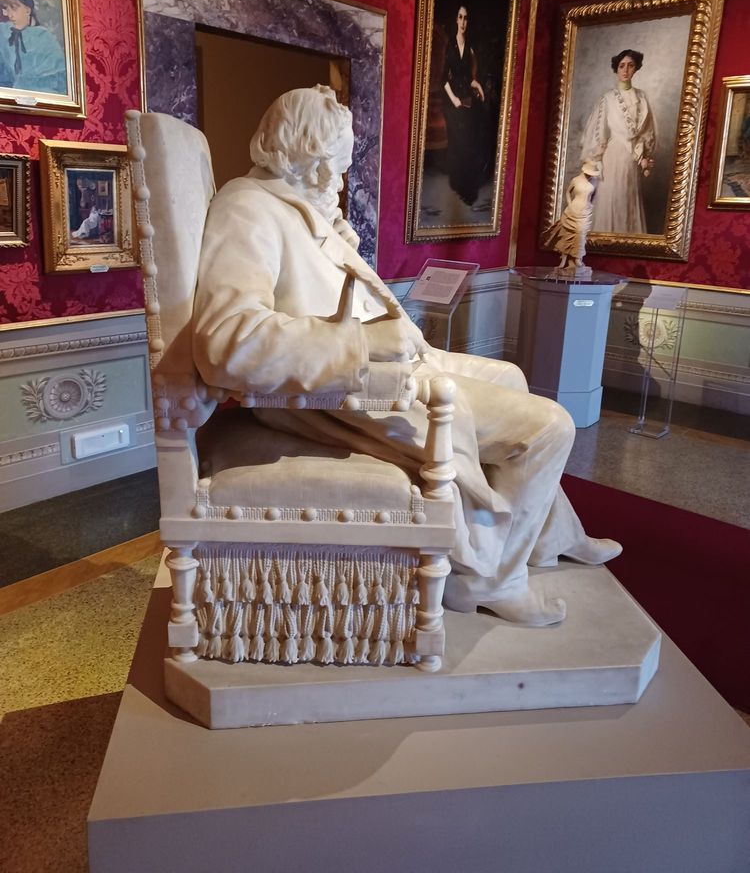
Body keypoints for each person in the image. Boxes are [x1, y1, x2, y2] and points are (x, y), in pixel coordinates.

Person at [192, 85, 621, 628]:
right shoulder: (248, 209)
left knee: (511, 376)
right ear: (309, 160)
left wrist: (338, 247)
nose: (340, 181)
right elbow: (227, 341)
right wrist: (362, 342)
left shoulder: (298, 206)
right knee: (551, 427)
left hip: (385, 364)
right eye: (337, 168)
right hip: (339, 387)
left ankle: (549, 536)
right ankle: (489, 579)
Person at [580, 49, 655, 233]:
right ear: (616, 69)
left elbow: (647, 130)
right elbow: (600, 133)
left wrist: (644, 156)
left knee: (629, 197)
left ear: (636, 68)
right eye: (622, 66)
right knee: (612, 197)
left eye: (630, 66)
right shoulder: (607, 99)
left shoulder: (641, 97)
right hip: (612, 156)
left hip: (631, 159)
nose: (626, 70)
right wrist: (596, 159)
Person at [441, 5, 485, 205]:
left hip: (466, 101)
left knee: (468, 143)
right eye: (460, 17)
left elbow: (468, 79)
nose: (463, 22)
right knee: (457, 144)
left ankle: (467, 189)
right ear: (456, 20)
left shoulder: (470, 49)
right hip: (452, 102)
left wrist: (478, 86)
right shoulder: (450, 46)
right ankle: (458, 184)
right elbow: (444, 79)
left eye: (466, 18)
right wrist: (454, 99)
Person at [0, 0, 66, 95]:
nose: (10, 15)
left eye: (13, 8)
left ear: (28, 9)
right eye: (5, 8)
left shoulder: (44, 38)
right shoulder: (3, 34)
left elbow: (61, 80)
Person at [546, 160, 600, 273]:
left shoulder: (595, 182)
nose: (590, 175)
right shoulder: (576, 180)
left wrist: (590, 205)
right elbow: (567, 192)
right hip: (573, 209)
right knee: (569, 234)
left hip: (585, 212)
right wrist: (570, 205)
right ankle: (566, 258)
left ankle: (577, 258)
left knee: (581, 233)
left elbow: (594, 196)